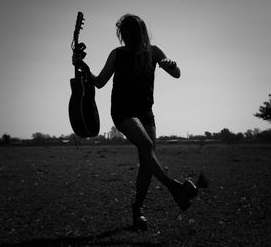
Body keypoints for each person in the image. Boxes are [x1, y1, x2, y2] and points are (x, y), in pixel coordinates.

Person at [72, 14, 198, 230]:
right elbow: (100, 82)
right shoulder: (117, 54)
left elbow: (176, 74)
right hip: (122, 111)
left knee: (147, 162)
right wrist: (82, 65)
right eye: (124, 35)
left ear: (141, 33)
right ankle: (175, 188)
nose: (128, 39)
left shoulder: (154, 52)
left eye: (132, 34)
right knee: (147, 147)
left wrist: (171, 65)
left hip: (146, 112)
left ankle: (137, 209)